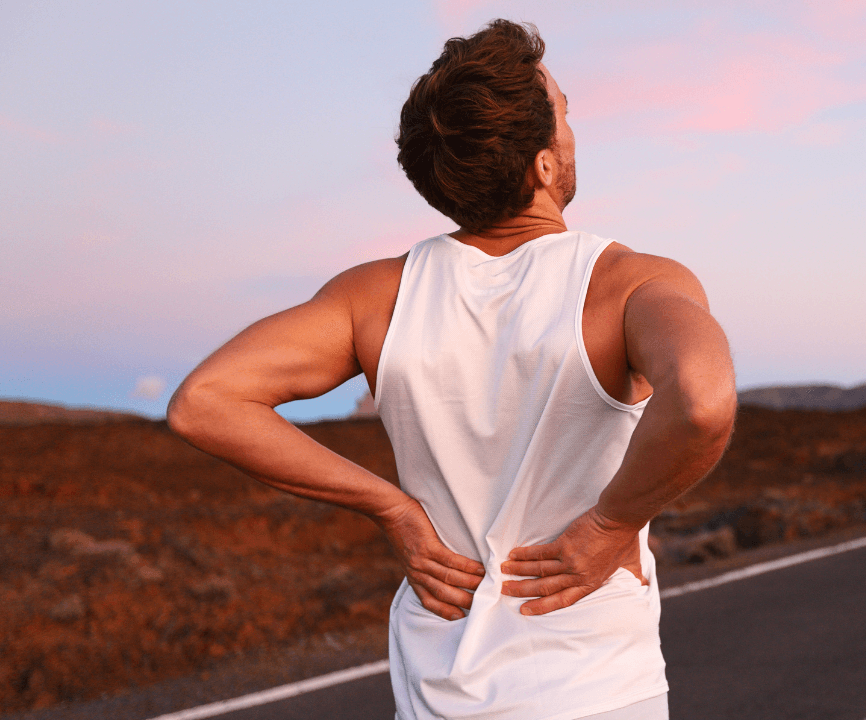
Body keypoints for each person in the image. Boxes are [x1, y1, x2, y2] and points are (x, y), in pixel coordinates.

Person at [168, 18, 737, 720]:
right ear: (544, 165)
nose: (571, 125)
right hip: (596, 687)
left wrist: (393, 510)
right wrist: (610, 525)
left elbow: (205, 401)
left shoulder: (374, 296)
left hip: (439, 690)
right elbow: (705, 402)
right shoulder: (628, 283)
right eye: (562, 111)